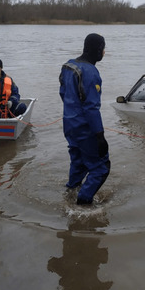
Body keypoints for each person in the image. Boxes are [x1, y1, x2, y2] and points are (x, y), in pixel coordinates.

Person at [59, 33, 110, 205]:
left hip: (69, 124)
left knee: (78, 161)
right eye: (103, 49)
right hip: (85, 127)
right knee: (101, 168)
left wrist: (72, 113)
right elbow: (91, 107)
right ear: (97, 49)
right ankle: (82, 204)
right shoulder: (91, 72)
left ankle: (70, 192)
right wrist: (100, 136)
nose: (103, 53)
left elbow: (63, 94)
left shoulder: (68, 66)